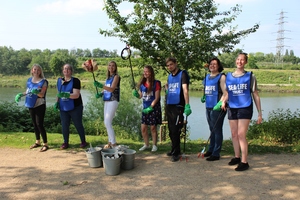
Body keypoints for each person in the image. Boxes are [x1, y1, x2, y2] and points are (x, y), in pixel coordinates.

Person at [225, 52, 262, 171]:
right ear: (235, 61)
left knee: (241, 135)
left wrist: (259, 113)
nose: (240, 62)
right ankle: (237, 156)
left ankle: (244, 161)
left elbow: (255, 95)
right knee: (234, 134)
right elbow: (227, 93)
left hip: (245, 107)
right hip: (232, 107)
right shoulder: (229, 76)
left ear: (245, 62)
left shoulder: (250, 76)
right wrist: (223, 102)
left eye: (242, 60)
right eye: (238, 59)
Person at [15, 64, 49, 152]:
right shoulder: (29, 80)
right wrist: (21, 94)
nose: (36, 71)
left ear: (40, 71)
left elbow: (42, 94)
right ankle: (37, 141)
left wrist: (36, 92)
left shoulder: (44, 81)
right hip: (30, 104)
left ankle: (45, 144)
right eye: (35, 69)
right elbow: (27, 91)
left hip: (39, 104)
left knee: (39, 124)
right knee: (34, 124)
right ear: (32, 70)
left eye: (38, 70)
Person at [165, 57, 192, 162]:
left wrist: (187, 104)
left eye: (171, 64)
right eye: (168, 65)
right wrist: (167, 89)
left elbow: (185, 90)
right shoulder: (169, 76)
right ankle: (174, 149)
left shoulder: (183, 74)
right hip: (170, 105)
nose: (170, 67)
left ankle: (176, 153)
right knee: (171, 130)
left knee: (176, 129)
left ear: (176, 63)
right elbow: (169, 88)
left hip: (178, 105)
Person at [55, 64, 87, 149]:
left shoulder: (76, 81)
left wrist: (66, 94)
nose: (66, 70)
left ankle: (83, 141)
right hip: (63, 107)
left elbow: (76, 95)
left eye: (68, 69)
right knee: (64, 125)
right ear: (63, 71)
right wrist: (57, 102)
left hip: (75, 107)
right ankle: (65, 142)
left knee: (78, 124)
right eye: (65, 69)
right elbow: (58, 92)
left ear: (71, 71)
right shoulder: (59, 81)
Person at [202, 58, 227, 161]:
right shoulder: (207, 77)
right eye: (211, 64)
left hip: (217, 107)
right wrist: (203, 96)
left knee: (217, 130)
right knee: (211, 129)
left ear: (218, 66)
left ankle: (216, 153)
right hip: (208, 106)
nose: (212, 66)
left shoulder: (221, 77)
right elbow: (206, 89)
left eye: (215, 64)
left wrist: (221, 102)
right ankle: (211, 150)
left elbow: (226, 92)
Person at [133, 65, 162, 152]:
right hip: (145, 108)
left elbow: (157, 98)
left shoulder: (156, 83)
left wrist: (151, 107)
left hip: (153, 108)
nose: (145, 73)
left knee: (153, 127)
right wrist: (136, 94)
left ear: (151, 73)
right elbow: (140, 96)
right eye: (144, 71)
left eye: (147, 71)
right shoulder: (142, 84)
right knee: (143, 128)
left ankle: (154, 145)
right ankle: (146, 144)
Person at [94, 61, 120, 149]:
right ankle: (110, 142)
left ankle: (113, 143)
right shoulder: (108, 78)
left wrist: (101, 85)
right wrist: (101, 93)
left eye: (113, 66)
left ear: (115, 67)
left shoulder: (116, 77)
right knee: (106, 122)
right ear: (108, 67)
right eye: (109, 65)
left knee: (107, 122)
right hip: (107, 100)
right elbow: (106, 89)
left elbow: (112, 89)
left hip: (113, 100)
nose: (111, 67)